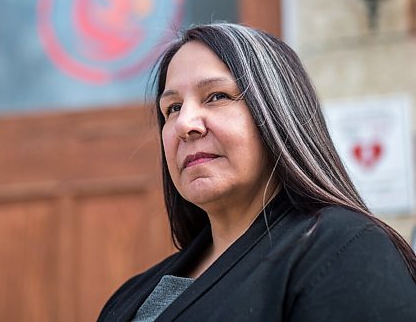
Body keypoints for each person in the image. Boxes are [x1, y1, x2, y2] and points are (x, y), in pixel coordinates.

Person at [98, 23, 416, 321]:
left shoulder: (345, 251)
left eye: (217, 96)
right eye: (173, 108)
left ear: (278, 115)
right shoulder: (133, 293)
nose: (184, 124)